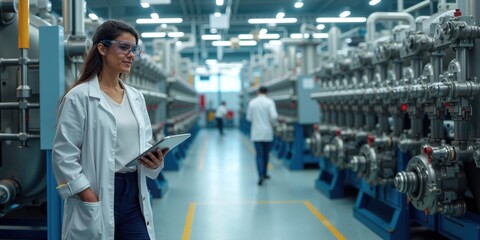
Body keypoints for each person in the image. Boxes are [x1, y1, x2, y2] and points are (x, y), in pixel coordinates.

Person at [52, 20, 167, 240]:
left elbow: (144, 142)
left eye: (134, 49)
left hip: (134, 192)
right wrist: (87, 195)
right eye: (124, 47)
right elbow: (64, 155)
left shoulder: (136, 97)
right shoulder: (79, 97)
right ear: (102, 49)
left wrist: (155, 160)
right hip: (99, 191)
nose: (131, 55)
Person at [246, 86, 278, 186]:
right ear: (267, 92)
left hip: (256, 133)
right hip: (267, 133)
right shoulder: (270, 102)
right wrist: (272, 123)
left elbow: (248, 118)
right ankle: (265, 173)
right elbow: (274, 117)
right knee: (266, 154)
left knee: (259, 155)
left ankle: (260, 175)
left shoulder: (252, 103)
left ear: (258, 92)